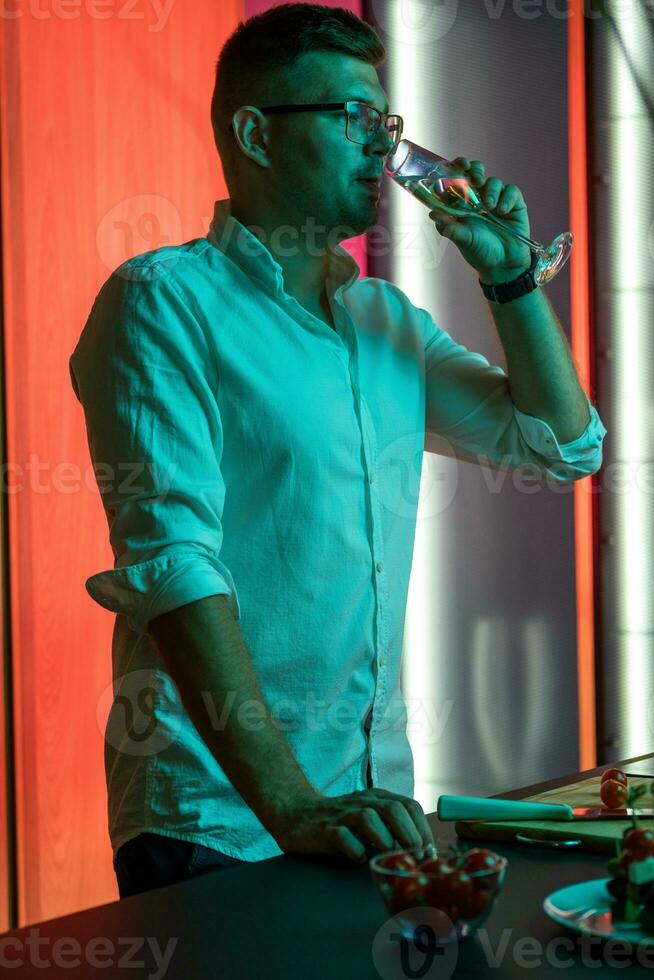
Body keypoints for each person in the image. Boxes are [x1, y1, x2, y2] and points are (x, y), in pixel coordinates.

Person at [69, 3, 606, 899]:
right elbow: (173, 566)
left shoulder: (385, 320)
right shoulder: (163, 302)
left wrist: (509, 275)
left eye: (388, 123)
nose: (383, 148)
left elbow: (561, 447)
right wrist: (289, 803)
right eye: (352, 117)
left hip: (370, 811)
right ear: (255, 134)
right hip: (222, 819)